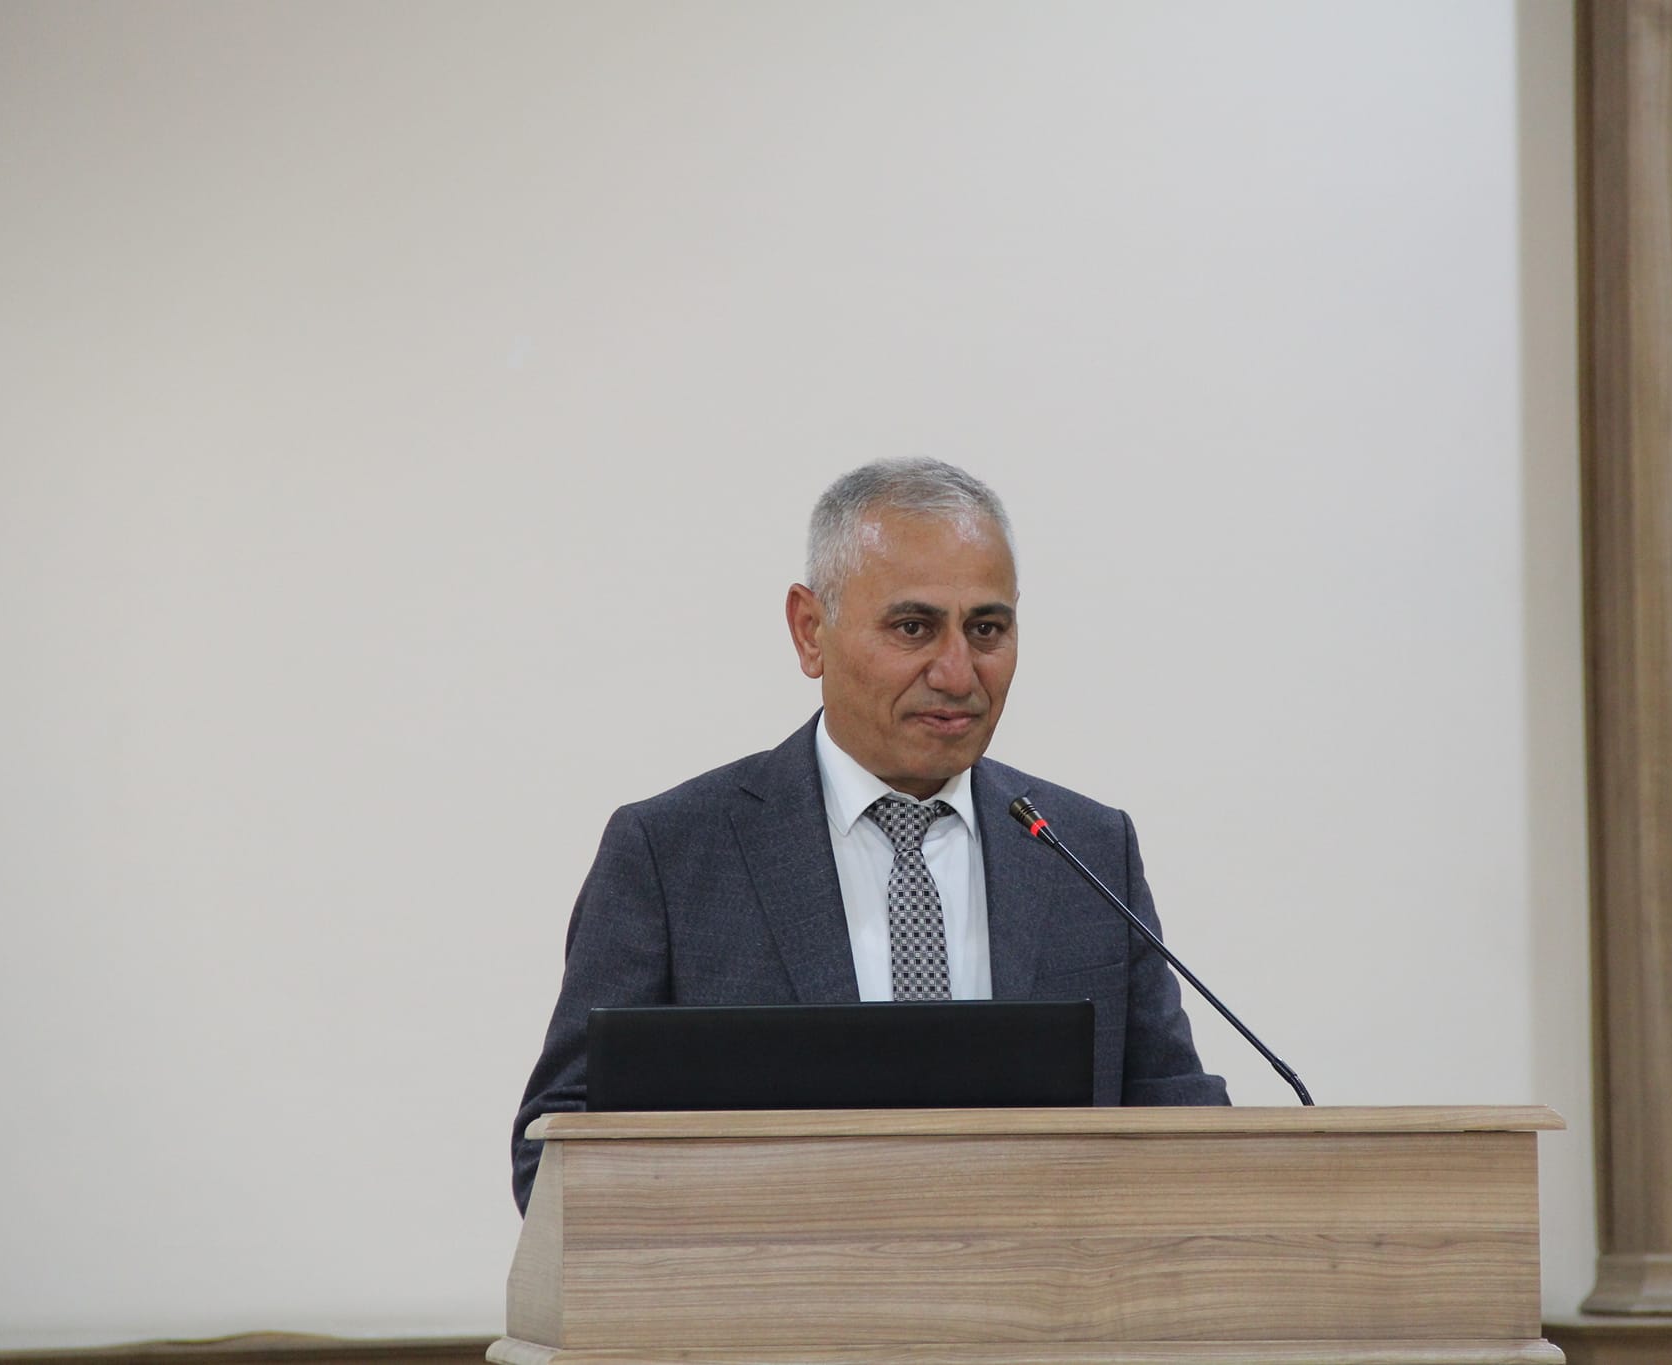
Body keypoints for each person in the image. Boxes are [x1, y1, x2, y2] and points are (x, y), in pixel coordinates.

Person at [510, 459, 1227, 1212]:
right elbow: (556, 1151)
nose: (957, 674)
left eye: (986, 630)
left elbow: (1179, 1125)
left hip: (1037, 1285)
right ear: (810, 630)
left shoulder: (1084, 848)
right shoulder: (673, 854)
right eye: (913, 628)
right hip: (772, 1283)